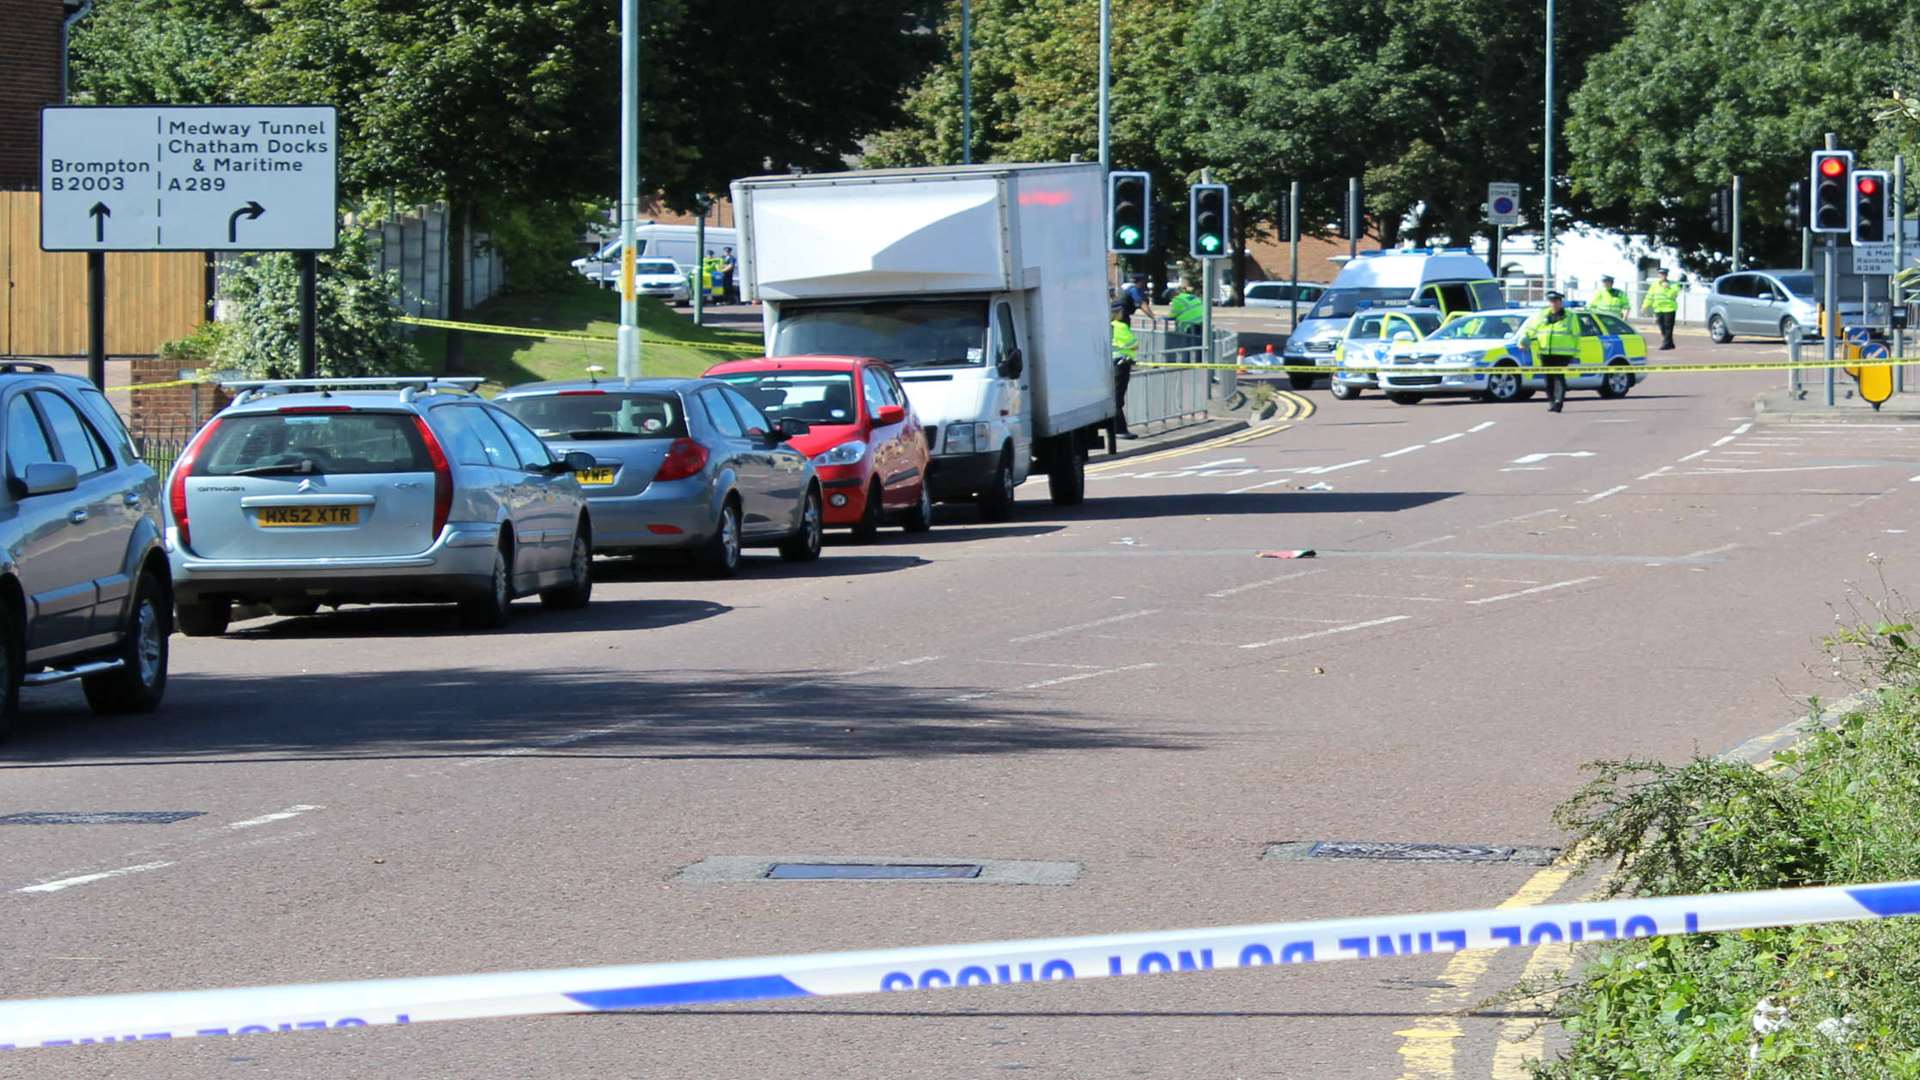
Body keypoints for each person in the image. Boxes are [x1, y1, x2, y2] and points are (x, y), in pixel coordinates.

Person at [1523, 290, 1580, 413]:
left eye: (1556, 301)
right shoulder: (1542, 315)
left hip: (1563, 353)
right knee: (1548, 378)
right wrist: (1523, 340)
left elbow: (1576, 335)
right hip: (1545, 352)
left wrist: (1575, 354)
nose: (1553, 304)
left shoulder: (1570, 316)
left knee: (1558, 377)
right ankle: (1551, 402)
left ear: (1561, 302)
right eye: (1551, 301)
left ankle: (1559, 403)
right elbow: (1531, 329)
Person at [1111, 300, 1137, 438]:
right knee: (1117, 398)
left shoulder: (1107, 326)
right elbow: (1133, 344)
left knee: (1115, 397)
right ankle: (1119, 430)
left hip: (1111, 364)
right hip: (1121, 365)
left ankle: (1117, 429)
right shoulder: (1120, 327)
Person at [1641, 267, 1681, 350]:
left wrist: (1668, 288)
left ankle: (1665, 344)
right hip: (1658, 309)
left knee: (1668, 327)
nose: (1663, 276)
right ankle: (1670, 343)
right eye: (1661, 274)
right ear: (1659, 275)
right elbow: (1649, 296)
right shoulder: (1654, 285)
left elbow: (1674, 294)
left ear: (1667, 275)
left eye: (1664, 274)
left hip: (1669, 308)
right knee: (1661, 327)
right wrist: (1644, 306)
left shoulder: (1673, 284)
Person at [1166, 277, 1204, 358]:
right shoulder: (1188, 296)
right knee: (1200, 342)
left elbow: (1172, 315)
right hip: (1203, 321)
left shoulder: (1177, 300)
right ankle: (1199, 361)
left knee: (1186, 343)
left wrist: (1164, 318)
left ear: (1171, 295)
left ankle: (1186, 361)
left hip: (1191, 323)